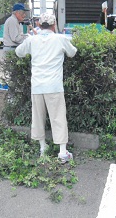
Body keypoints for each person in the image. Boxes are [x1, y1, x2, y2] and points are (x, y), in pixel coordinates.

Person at [15, 13, 77, 164]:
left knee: (38, 117)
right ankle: (62, 153)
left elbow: (19, 52)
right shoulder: (61, 39)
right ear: (54, 24)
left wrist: (32, 38)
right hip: (54, 85)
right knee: (58, 117)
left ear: (38, 24)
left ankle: (43, 148)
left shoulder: (32, 40)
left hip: (37, 86)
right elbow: (73, 52)